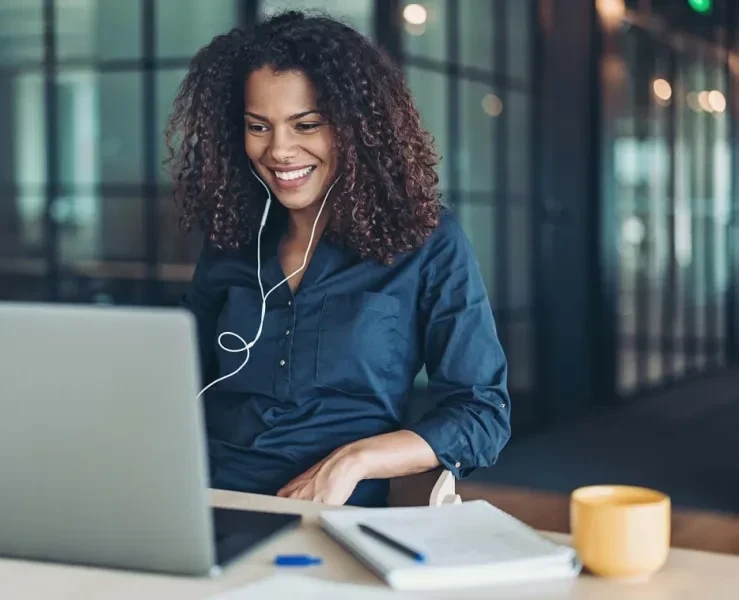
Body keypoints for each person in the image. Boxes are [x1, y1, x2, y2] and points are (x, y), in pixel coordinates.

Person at [166, 11, 510, 507]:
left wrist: (355, 461)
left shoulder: (426, 241)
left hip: (339, 518)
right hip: (210, 504)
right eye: (258, 126)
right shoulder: (232, 241)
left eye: (306, 124)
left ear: (355, 127)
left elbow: (482, 414)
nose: (280, 150)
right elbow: (173, 379)